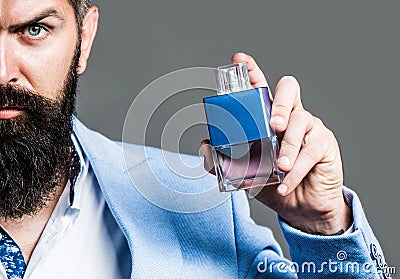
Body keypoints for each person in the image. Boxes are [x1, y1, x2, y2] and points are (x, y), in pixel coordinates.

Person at [0, 0, 390, 278]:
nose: (3, 74)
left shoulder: (206, 208)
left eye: (35, 30)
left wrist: (324, 229)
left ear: (83, 40)